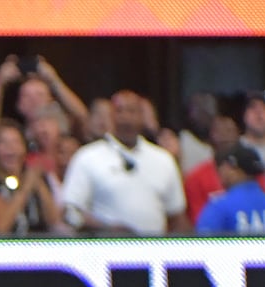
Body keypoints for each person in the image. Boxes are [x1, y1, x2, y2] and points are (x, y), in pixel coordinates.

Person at [61, 90, 187, 235]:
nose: (126, 118)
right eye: (120, 111)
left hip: (153, 252)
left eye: (132, 112)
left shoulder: (163, 159)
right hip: (104, 251)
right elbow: (71, 212)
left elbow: (176, 216)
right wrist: (107, 228)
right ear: (111, 116)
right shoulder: (87, 157)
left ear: (142, 116)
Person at [0, 119, 60, 235]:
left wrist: (39, 184)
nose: (10, 148)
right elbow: (1, 227)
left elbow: (54, 220)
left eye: (16, 142)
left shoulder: (32, 175)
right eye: (3, 143)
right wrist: (24, 190)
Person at [195, 143, 265, 234]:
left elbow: (203, 243)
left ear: (232, 169)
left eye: (223, 167)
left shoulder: (220, 206)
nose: (220, 172)